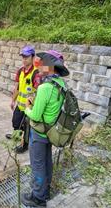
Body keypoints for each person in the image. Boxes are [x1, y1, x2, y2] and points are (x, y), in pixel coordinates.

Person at [21, 50, 70, 207]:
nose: (39, 65)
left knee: (37, 165)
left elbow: (35, 116)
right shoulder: (61, 84)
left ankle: (38, 198)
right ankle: (45, 190)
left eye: (42, 63)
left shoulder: (44, 87)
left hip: (40, 132)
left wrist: (26, 107)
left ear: (49, 65)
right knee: (47, 161)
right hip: (52, 130)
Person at [6, 46, 41, 154]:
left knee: (26, 128)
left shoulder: (36, 73)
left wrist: (31, 105)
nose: (24, 59)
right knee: (15, 122)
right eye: (23, 57)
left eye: (26, 57)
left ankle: (24, 145)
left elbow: (38, 91)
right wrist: (13, 100)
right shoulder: (20, 71)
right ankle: (16, 136)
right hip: (20, 105)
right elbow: (17, 87)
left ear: (32, 57)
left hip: (29, 107)